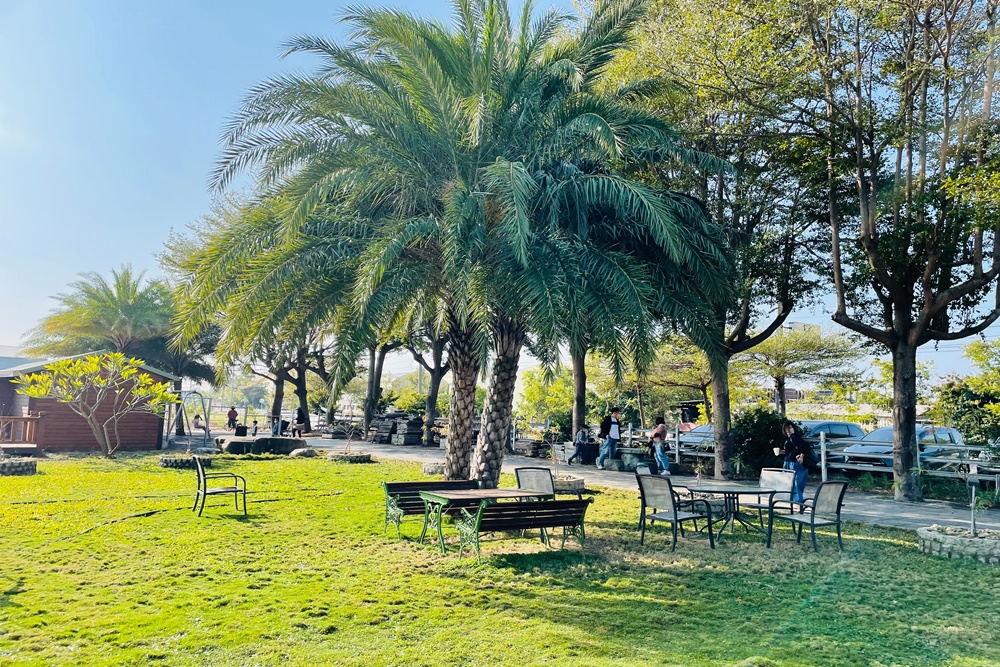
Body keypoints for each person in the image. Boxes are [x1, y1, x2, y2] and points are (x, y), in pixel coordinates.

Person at [780, 422, 810, 504]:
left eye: (790, 428)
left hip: (794, 463)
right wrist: (781, 452)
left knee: (796, 483)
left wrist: (802, 456)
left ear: (794, 428)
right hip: (789, 461)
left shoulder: (794, 438)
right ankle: (794, 500)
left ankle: (797, 501)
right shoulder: (790, 439)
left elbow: (805, 446)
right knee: (792, 483)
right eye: (787, 428)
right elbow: (791, 451)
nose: (788, 430)